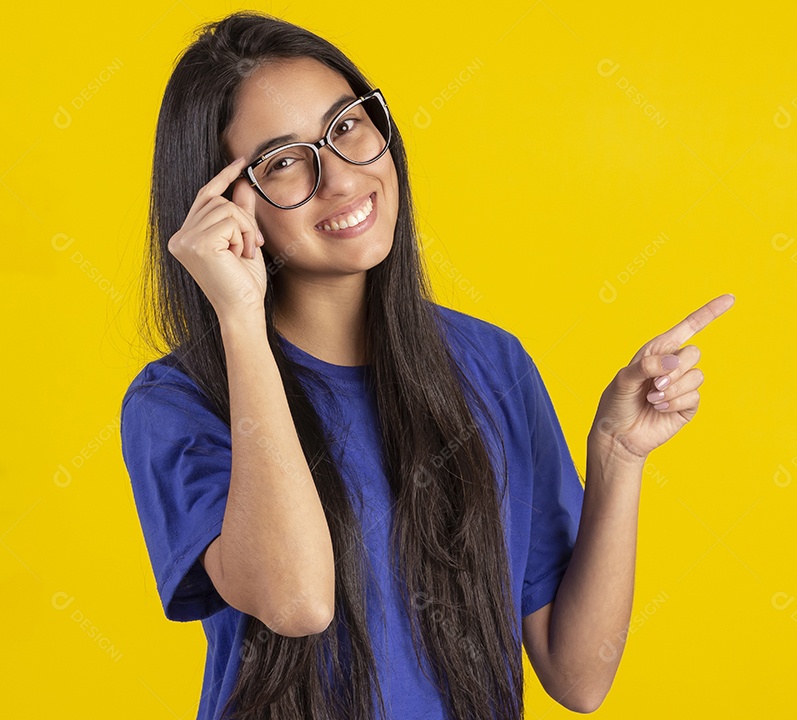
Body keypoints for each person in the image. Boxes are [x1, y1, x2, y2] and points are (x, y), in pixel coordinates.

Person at [119, 10, 734, 720]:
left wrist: (619, 455)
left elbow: (579, 676)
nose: (341, 178)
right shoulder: (178, 402)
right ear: (221, 204)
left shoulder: (490, 362)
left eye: (347, 125)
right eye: (284, 161)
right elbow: (298, 602)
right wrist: (238, 316)